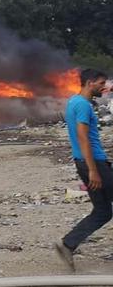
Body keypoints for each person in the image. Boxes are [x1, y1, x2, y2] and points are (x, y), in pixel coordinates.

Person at [56, 68, 110, 270]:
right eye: (101, 83)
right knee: (103, 209)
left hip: (84, 162)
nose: (104, 87)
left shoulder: (74, 102)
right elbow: (82, 136)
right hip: (94, 163)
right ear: (89, 82)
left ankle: (68, 244)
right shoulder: (83, 105)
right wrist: (93, 170)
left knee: (103, 211)